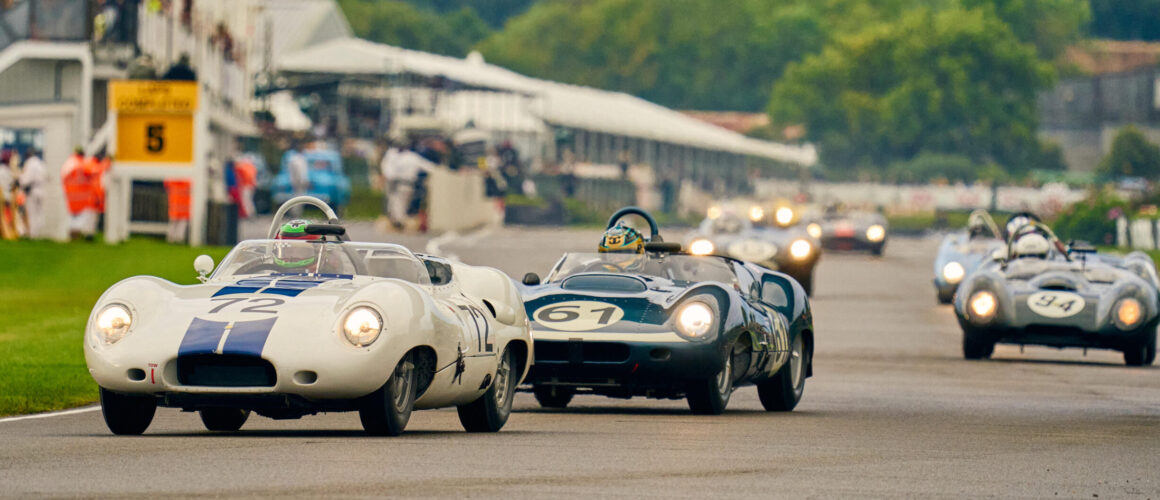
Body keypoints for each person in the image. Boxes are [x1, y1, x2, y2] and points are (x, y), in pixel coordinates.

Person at [61, 148, 100, 239]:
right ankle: (87, 234)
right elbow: (95, 171)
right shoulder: (81, 163)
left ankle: (74, 234)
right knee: (88, 215)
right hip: (82, 197)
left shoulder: (68, 163)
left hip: (70, 195)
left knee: (73, 217)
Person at [18, 149, 46, 239]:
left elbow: (26, 180)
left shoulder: (29, 163)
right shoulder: (41, 163)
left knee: (32, 213)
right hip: (42, 190)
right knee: (39, 213)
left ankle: (33, 235)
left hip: (32, 190)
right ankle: (40, 233)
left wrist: (19, 181)